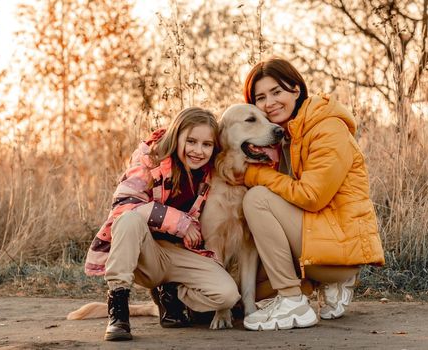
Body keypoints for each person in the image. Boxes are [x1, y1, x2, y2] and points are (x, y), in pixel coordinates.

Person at [240, 58, 385, 331]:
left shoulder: (326, 127)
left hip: (339, 250)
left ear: (296, 90)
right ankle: (309, 287)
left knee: (257, 198)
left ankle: (294, 299)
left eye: (277, 92)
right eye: (260, 97)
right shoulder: (278, 137)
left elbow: (312, 196)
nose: (269, 102)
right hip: (312, 242)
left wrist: (255, 175)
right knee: (246, 289)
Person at [84, 107, 240, 341]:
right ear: (177, 136)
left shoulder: (212, 172)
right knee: (128, 220)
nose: (198, 151)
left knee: (227, 295)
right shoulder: (150, 158)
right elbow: (123, 205)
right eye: (191, 141)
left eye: (207, 144)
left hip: (182, 255)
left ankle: (173, 294)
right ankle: (118, 308)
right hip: (146, 254)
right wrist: (180, 222)